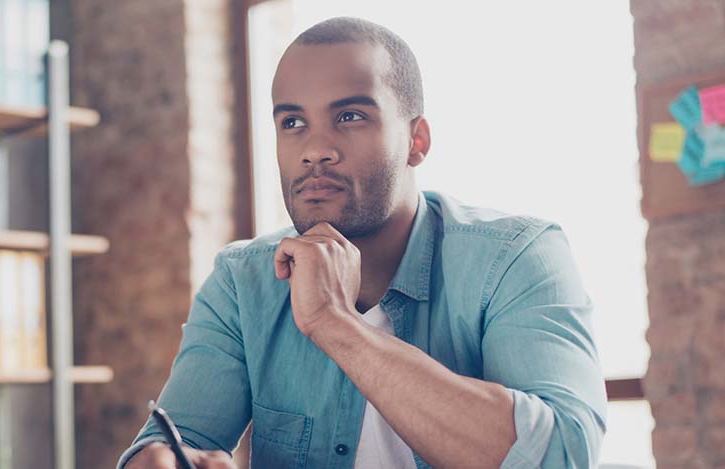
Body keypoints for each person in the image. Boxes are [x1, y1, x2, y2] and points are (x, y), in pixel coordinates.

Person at [119, 16, 606, 469]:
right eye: (292, 123)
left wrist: (337, 325)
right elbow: (175, 441)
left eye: (350, 117)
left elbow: (560, 452)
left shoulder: (517, 257)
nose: (314, 150)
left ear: (417, 141)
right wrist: (158, 460)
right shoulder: (242, 281)